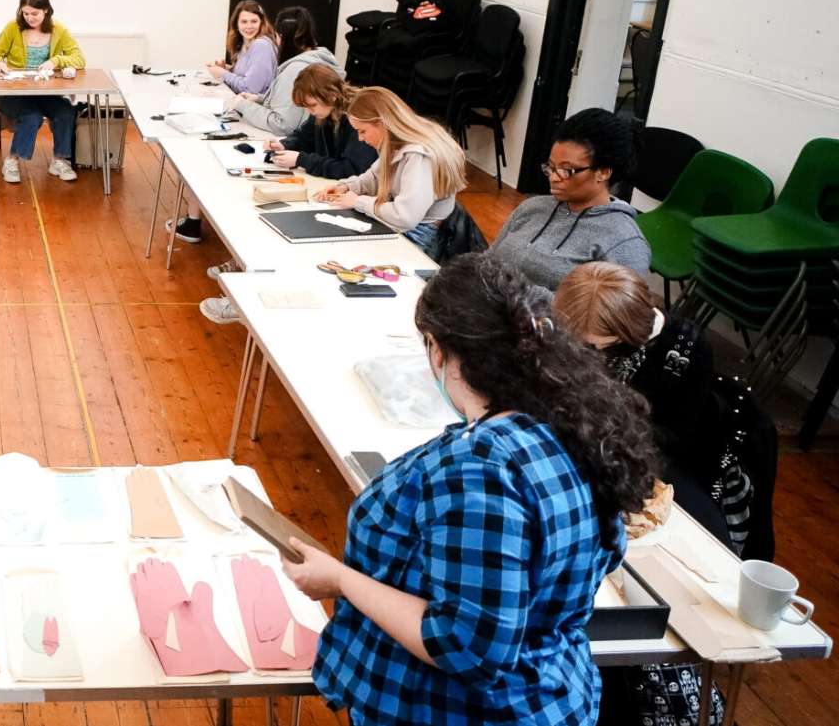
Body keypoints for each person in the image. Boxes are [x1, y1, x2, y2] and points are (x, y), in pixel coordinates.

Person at [281, 253, 659, 725]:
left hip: (464, 711)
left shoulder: (483, 468)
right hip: (551, 693)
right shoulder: (578, 423)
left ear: (438, 350)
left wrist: (340, 581)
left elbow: (468, 647)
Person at [555, 262, 771, 557]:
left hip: (664, 458)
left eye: (590, 344)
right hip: (598, 444)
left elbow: (673, 441)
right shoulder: (589, 331)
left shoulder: (685, 350)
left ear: (622, 333)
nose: (579, 349)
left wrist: (595, 430)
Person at [172, 8, 344, 244]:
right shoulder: (306, 64)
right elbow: (291, 118)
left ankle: (207, 226)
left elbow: (283, 123)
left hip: (312, 168)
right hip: (302, 153)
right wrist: (260, 102)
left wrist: (243, 104)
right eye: (244, 21)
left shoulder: (296, 68)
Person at [487, 108, 651, 289]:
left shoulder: (623, 242)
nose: (554, 177)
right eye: (551, 167)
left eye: (567, 170)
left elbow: (608, 315)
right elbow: (486, 263)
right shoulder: (531, 208)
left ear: (603, 172)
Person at [315, 87, 467, 257]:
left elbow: (405, 217)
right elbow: (374, 177)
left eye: (362, 131)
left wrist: (358, 201)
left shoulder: (419, 155)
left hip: (418, 234)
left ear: (381, 123)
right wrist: (346, 187)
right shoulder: (396, 142)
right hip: (408, 226)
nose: (360, 138)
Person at [0, 0, 84, 184]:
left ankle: (59, 159)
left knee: (65, 111)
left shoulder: (59, 30)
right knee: (31, 117)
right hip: (15, 92)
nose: (30, 18)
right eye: (25, 13)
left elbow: (79, 59)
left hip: (46, 91)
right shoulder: (12, 28)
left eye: (35, 14)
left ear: (46, 10)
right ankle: (12, 160)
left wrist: (56, 61)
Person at [230, 6, 342, 136]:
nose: (275, 41)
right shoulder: (320, 57)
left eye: (276, 36)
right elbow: (295, 107)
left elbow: (283, 124)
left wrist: (242, 105)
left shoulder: (295, 71)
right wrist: (261, 99)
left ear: (284, 38)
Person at [206, 0, 279, 96]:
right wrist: (227, 69)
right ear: (236, 24)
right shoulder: (244, 43)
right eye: (244, 22)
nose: (249, 26)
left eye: (254, 21)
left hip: (253, 107)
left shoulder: (261, 46)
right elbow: (245, 74)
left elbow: (250, 89)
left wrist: (223, 73)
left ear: (261, 22)